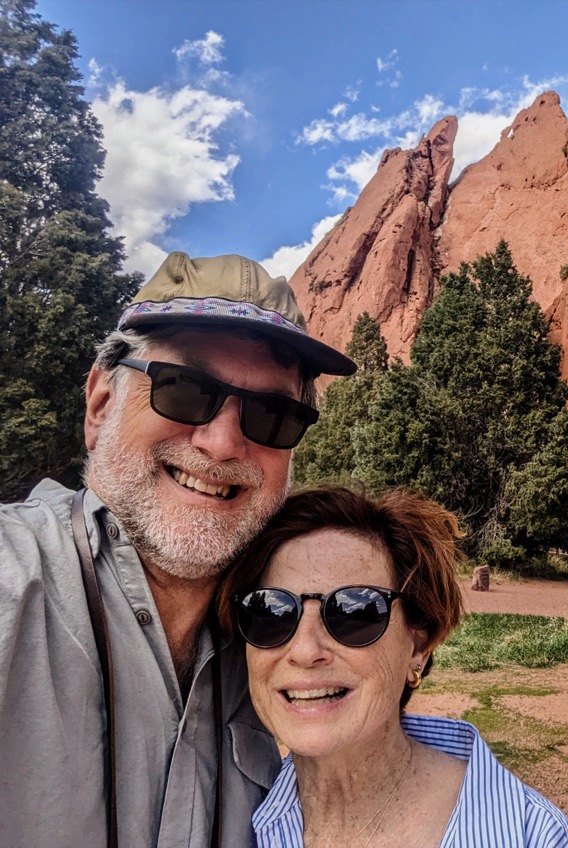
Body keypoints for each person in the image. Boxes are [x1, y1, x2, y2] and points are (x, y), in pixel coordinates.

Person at [0, 252, 355, 847]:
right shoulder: (15, 577)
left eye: (271, 414)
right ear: (101, 403)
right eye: (184, 390)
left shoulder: (285, 637)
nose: (221, 444)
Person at [217, 484, 568, 847]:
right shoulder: (236, 817)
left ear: (419, 645)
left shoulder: (534, 836)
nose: (304, 650)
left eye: (355, 612)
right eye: (271, 612)